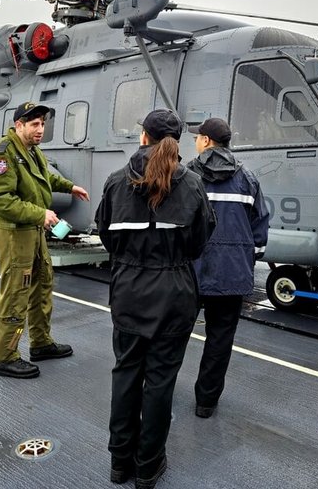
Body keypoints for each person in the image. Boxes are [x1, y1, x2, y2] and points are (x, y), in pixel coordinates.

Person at [94, 109, 216, 489]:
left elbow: (106, 236)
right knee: (161, 381)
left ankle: (119, 463)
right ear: (175, 142)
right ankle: (148, 467)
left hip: (129, 289)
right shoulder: (192, 184)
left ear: (143, 137)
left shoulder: (116, 182)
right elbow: (200, 240)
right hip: (174, 291)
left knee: (126, 371)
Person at [0, 101, 89, 379]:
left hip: (33, 231)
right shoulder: (3, 155)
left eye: (42, 124)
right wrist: (39, 213)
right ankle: (5, 356)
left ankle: (40, 343)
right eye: (34, 124)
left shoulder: (32, 152)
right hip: (14, 232)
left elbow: (44, 179)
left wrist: (70, 187)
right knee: (17, 291)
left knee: (42, 284)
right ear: (19, 125)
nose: (41, 129)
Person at [187, 117, 270, 418]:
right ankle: (205, 403)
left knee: (172, 335)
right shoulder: (248, 178)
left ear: (207, 141)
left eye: (198, 137)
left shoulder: (187, 174)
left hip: (189, 271)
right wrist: (245, 259)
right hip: (232, 273)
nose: (195, 141)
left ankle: (156, 391)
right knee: (220, 339)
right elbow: (259, 228)